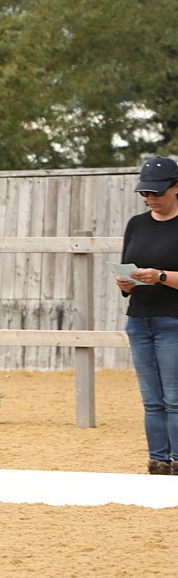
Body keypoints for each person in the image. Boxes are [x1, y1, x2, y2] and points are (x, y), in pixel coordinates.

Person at [116, 156, 178, 475]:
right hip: (138, 319)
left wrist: (162, 277)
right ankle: (157, 459)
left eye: (157, 192)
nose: (151, 198)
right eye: (145, 193)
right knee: (150, 398)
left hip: (173, 319)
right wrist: (126, 283)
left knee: (174, 397)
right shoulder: (136, 225)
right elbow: (128, 269)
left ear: (176, 187)